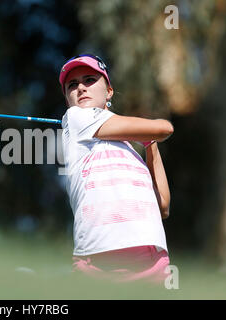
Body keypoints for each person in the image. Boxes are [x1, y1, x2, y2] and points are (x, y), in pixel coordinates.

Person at [59, 54, 173, 284]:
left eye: (89, 80)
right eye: (73, 84)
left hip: (151, 261)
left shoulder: (131, 154)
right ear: (67, 97)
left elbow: (162, 207)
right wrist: (151, 133)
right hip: (98, 261)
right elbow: (165, 128)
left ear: (109, 92)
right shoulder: (75, 118)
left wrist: (150, 144)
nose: (81, 87)